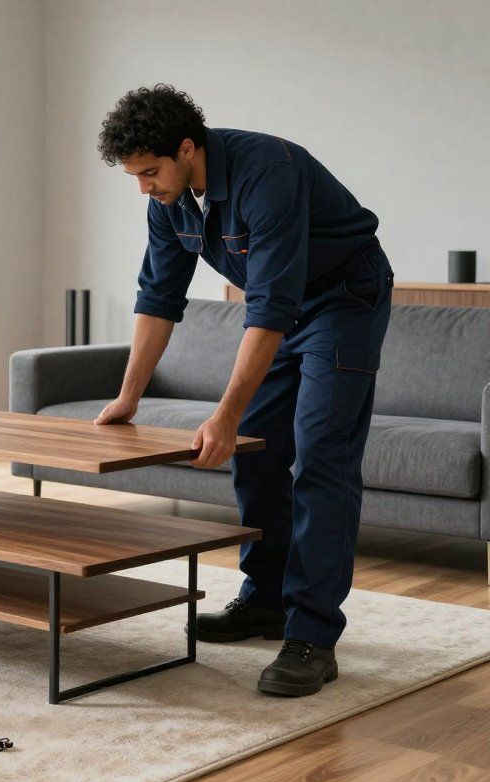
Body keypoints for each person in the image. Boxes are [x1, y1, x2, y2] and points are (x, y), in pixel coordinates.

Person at [94, 84, 393, 697]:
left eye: (150, 172)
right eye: (134, 177)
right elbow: (158, 299)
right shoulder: (170, 201)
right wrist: (128, 397)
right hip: (282, 308)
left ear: (186, 148)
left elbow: (271, 306)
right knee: (255, 454)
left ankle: (312, 634)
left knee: (321, 459)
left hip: (343, 299)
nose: (144, 187)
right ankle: (266, 599)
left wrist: (224, 415)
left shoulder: (267, 174)